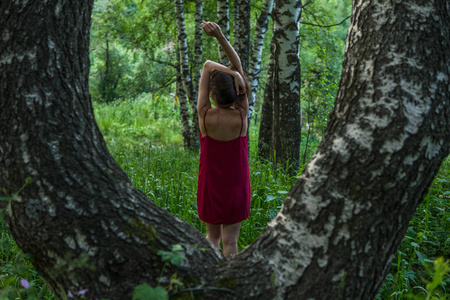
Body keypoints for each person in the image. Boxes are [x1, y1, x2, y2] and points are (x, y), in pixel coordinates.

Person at [196, 21, 251, 257]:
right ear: (239, 93)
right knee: (231, 242)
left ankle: (209, 280)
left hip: (210, 183)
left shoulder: (204, 115)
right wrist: (237, 72)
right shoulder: (241, 116)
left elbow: (208, 65)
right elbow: (238, 67)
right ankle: (230, 285)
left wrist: (230, 73)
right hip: (236, 184)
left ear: (211, 94)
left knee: (212, 238)